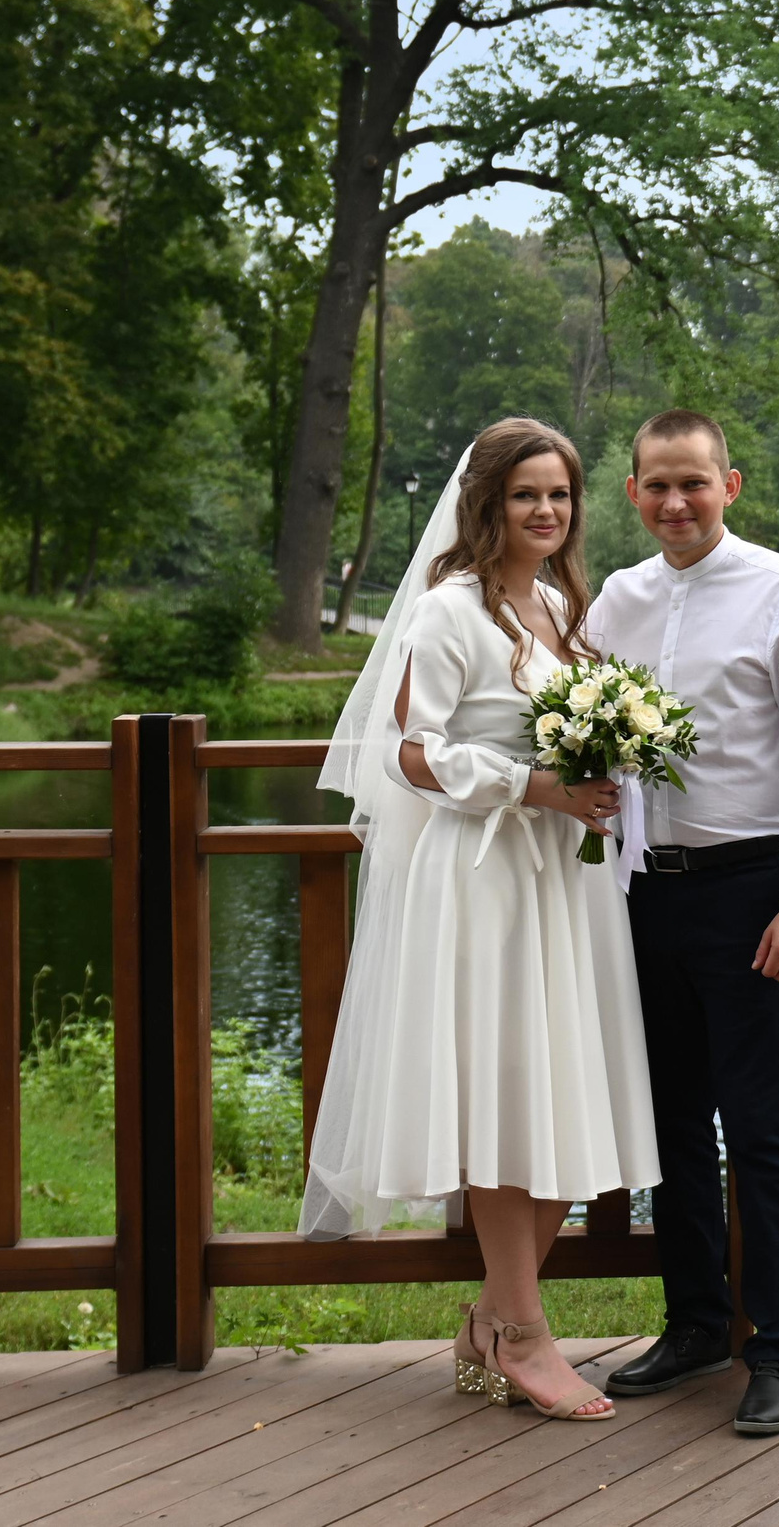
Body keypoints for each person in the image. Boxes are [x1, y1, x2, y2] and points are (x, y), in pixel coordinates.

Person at [301, 416, 659, 1423]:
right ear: (487, 503)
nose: (547, 512)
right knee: (509, 1101)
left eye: (560, 495)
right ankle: (524, 1334)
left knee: (563, 1094)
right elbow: (411, 754)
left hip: (563, 884)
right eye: (525, 495)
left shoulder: (552, 605)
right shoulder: (448, 612)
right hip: (486, 878)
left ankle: (494, 1321)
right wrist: (531, 787)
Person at [588, 408, 779, 1436]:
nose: (674, 502)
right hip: (642, 891)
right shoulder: (617, 599)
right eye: (656, 484)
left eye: (693, 483)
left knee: (764, 1132)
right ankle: (696, 1323)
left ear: (730, 485)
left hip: (753, 894)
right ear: (633, 492)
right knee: (669, 1129)